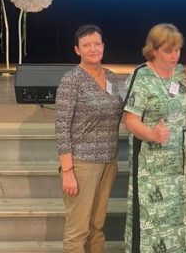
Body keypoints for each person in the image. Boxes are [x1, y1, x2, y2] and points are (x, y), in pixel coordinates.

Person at [123, 23, 186, 253]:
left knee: (179, 226)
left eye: (177, 50)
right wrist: (152, 133)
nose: (175, 55)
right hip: (151, 168)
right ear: (153, 50)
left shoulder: (181, 72)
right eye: (168, 50)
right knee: (152, 230)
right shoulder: (141, 76)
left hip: (181, 166)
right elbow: (130, 120)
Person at [55, 25, 123, 253]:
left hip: (108, 161)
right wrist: (68, 171)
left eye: (97, 44)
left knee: (97, 226)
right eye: (86, 45)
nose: (93, 49)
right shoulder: (71, 80)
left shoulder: (111, 77)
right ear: (77, 50)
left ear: (103, 46)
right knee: (77, 231)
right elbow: (62, 127)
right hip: (82, 164)